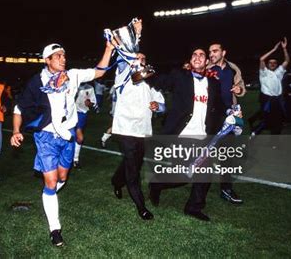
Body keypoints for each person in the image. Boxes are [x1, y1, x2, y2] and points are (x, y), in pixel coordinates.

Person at [10, 41, 113, 247]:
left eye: (64, 55)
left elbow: (99, 72)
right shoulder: (36, 82)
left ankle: (48, 198)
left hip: (68, 135)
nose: (63, 58)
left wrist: (109, 48)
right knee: (51, 182)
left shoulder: (73, 75)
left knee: (62, 177)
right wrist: (15, 131)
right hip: (46, 136)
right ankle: (55, 229)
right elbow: (19, 108)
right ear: (47, 60)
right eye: (57, 56)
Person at [148, 47, 224, 222]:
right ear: (190, 60)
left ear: (206, 62)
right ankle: (157, 183)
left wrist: (232, 113)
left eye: (201, 55)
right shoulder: (180, 76)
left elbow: (218, 107)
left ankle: (193, 207)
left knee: (205, 173)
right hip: (182, 135)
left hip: (203, 136)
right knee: (183, 175)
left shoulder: (213, 83)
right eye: (194, 55)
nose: (197, 57)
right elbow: (159, 82)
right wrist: (144, 71)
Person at [110, 52, 165, 221]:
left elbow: (162, 106)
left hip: (144, 130)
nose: (141, 61)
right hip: (125, 129)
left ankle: (117, 181)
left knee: (133, 161)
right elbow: (120, 61)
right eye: (136, 58)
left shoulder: (151, 82)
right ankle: (141, 207)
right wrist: (129, 53)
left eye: (143, 58)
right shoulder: (123, 76)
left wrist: (158, 106)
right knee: (134, 169)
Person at [207, 42, 245, 204]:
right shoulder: (206, 67)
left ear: (224, 52)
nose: (211, 54)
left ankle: (226, 189)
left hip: (228, 117)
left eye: (215, 51)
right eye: (210, 52)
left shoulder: (233, 68)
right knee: (204, 152)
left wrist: (239, 90)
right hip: (209, 116)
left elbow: (241, 87)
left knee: (227, 155)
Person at [250, 38, 290, 138]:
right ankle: (254, 133)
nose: (272, 64)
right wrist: (274, 49)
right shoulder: (264, 72)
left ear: (277, 65)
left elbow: (287, 61)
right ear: (267, 64)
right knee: (267, 120)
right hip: (267, 99)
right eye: (270, 63)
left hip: (277, 99)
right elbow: (261, 59)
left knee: (278, 121)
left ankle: (274, 141)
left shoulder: (279, 72)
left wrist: (284, 49)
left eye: (274, 63)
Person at [72, 82, 97, 169]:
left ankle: (75, 160)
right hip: (68, 114)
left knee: (80, 138)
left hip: (81, 114)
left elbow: (94, 103)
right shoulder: (70, 83)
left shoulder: (89, 88)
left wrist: (89, 103)